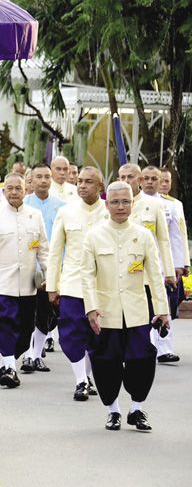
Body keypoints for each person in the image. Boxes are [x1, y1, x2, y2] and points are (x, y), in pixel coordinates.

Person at [82, 181, 169, 431]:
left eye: (126, 202)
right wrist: (91, 308)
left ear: (133, 204)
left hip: (137, 312)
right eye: (116, 202)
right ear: (106, 204)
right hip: (105, 312)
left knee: (142, 359)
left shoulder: (143, 236)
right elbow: (86, 275)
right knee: (106, 361)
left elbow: (155, 274)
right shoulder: (94, 236)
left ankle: (137, 409)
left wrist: (162, 310)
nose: (121, 206)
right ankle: (113, 410)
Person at [0, 174, 48, 388]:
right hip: (1, 284)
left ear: (25, 189)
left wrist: (51, 278)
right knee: (2, 327)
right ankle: (10, 368)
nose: (14, 192)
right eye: (10, 188)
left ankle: (5, 363)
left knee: (25, 333)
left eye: (18, 188)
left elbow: (43, 250)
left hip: (27, 286)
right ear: (3, 190)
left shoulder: (35, 216)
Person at [46, 166, 108, 401]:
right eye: (80, 181)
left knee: (96, 336)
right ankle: (81, 380)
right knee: (71, 335)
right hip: (72, 284)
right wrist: (52, 286)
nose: (81, 185)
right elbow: (55, 252)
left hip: (102, 286)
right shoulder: (67, 211)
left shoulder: (110, 211)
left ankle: (86, 376)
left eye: (88, 182)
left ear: (99, 187)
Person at [138, 166, 187, 363]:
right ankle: (141, 345)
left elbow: (177, 236)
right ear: (140, 180)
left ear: (161, 181)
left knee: (163, 304)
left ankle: (164, 349)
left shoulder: (172, 205)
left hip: (159, 264)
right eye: (146, 178)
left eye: (154, 179)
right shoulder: (131, 202)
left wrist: (179, 264)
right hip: (136, 265)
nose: (150, 182)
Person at [21, 162, 65, 369]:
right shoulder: (23, 204)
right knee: (28, 312)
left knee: (46, 313)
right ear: (30, 179)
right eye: (39, 177)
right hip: (26, 266)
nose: (43, 180)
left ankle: (36, 354)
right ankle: (26, 353)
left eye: (47, 176)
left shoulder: (61, 206)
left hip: (50, 267)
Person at [158, 167, 190, 325]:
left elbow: (180, 235)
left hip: (169, 260)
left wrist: (183, 262)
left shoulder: (176, 204)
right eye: (161, 180)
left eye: (167, 181)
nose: (163, 184)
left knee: (170, 302)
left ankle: (165, 346)